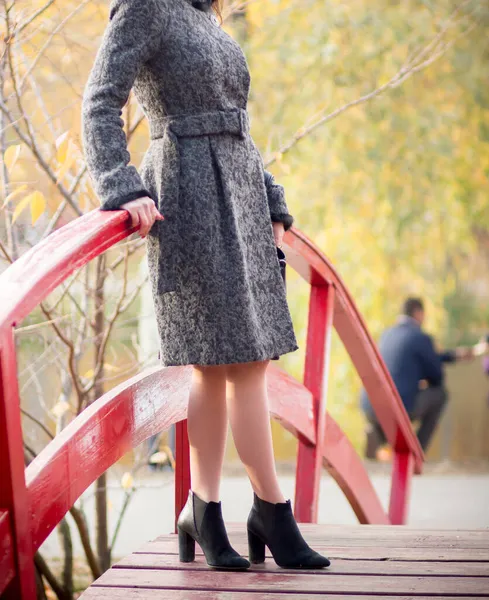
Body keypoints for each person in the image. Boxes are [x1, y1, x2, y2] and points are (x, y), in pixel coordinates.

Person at [81, 0, 329, 571]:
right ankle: (267, 510)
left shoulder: (203, 16)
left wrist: (271, 198)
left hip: (240, 198)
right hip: (190, 194)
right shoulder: (145, 8)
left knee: (243, 363)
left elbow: (231, 120)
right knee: (224, 364)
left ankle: (208, 508)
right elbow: (99, 101)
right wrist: (122, 185)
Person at [361, 297, 474, 458]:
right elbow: (436, 375)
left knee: (394, 402)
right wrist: (423, 380)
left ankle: (378, 434)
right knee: (439, 394)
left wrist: (453, 356)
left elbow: (409, 361)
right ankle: (415, 453)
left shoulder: (386, 335)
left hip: (370, 406)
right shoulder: (420, 337)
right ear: (418, 313)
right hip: (399, 407)